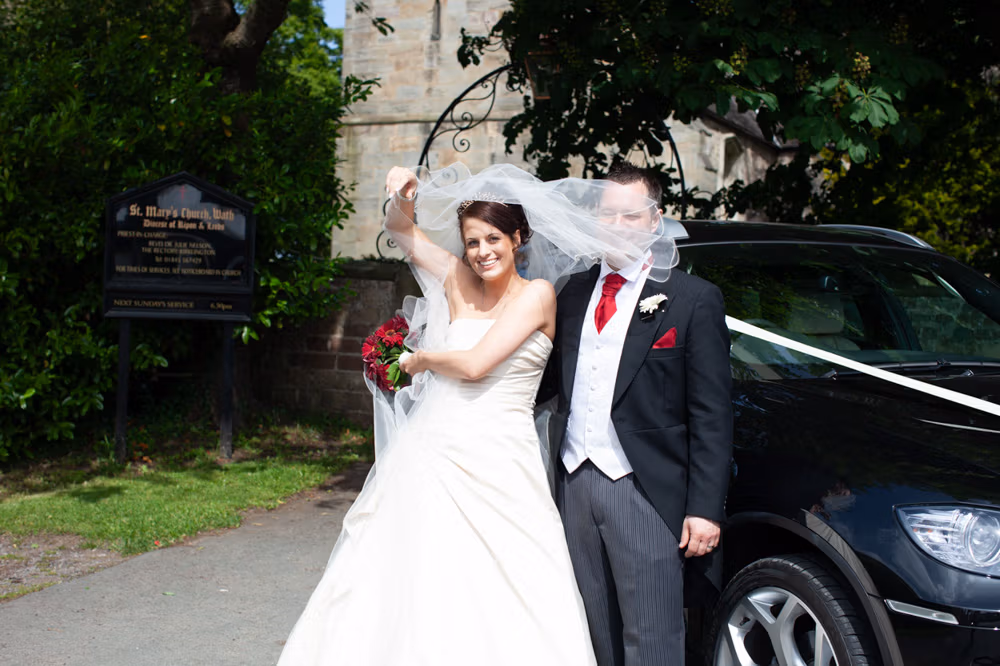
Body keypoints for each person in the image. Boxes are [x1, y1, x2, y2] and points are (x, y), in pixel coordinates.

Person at [276, 164, 600, 665]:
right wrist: (404, 193)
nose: (482, 252)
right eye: (472, 241)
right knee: (411, 578)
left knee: (507, 583)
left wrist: (420, 358)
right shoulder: (453, 277)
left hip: (499, 461)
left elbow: (474, 364)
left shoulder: (538, 295)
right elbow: (400, 230)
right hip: (433, 451)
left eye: (493, 238)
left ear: (518, 237)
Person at [540, 160, 734, 666]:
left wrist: (705, 508)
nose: (619, 227)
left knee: (652, 636)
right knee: (591, 631)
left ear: (655, 220)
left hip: (646, 489)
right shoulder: (571, 294)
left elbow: (712, 413)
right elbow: (541, 385)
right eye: (608, 215)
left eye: (632, 216)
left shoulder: (692, 300)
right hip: (573, 484)